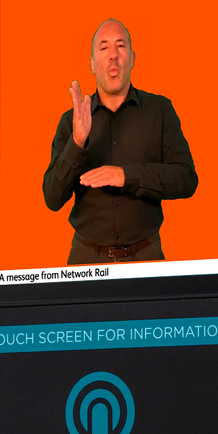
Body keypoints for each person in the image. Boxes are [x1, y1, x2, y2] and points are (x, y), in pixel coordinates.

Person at [42, 18, 198, 264]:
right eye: (104, 48)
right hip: (86, 260)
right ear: (92, 64)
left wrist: (127, 176)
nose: (113, 55)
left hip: (146, 256)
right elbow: (51, 198)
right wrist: (77, 142)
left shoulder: (160, 110)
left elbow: (187, 180)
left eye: (120, 46)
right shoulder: (70, 122)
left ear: (133, 58)